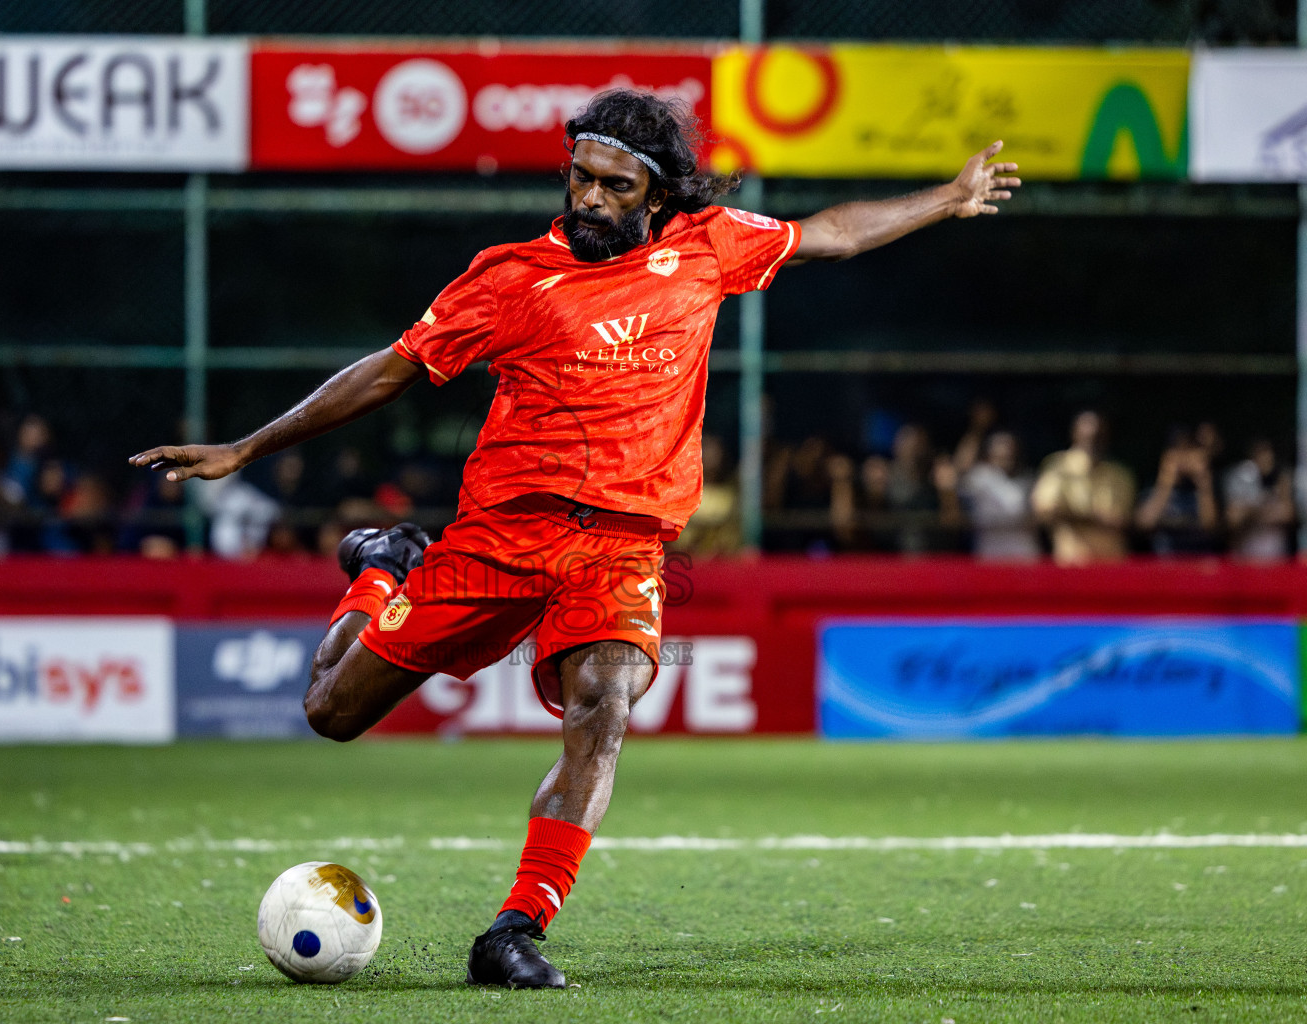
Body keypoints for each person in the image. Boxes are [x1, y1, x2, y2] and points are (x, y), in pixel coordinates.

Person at [131, 89, 1017, 988]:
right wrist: (246, 446)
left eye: (614, 187)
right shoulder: (508, 276)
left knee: (606, 702)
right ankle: (384, 571)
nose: (590, 199)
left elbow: (832, 232)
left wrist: (947, 198)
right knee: (332, 711)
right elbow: (388, 373)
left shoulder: (709, 245)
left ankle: (516, 930)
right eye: (581, 179)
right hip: (501, 534)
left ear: (658, 195)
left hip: (624, 543)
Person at [1031, 410, 1135, 565]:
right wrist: (1097, 520)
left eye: (1099, 437)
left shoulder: (1120, 474)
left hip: (1112, 567)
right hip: (1072, 566)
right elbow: (1046, 510)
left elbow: (1123, 522)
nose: (1094, 442)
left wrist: (1075, 517)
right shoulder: (1058, 466)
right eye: (1089, 437)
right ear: (1075, 434)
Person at [955, 430, 1040, 560]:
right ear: (989, 453)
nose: (1005, 453)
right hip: (991, 548)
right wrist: (977, 430)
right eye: (1000, 450)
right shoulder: (980, 476)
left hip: (1022, 547)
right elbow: (959, 473)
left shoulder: (1028, 479)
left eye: (1009, 451)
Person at [1135, 427, 1220, 555]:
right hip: (1163, 564)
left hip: (1199, 563)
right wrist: (1166, 483)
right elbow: (1145, 524)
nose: (1183, 458)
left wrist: (1204, 483)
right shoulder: (1153, 489)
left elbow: (1210, 526)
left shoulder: (1206, 492)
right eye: (1178, 450)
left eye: (1188, 450)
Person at [1223, 437, 1294, 561]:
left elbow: (1287, 514)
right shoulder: (1239, 477)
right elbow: (1233, 519)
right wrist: (1265, 510)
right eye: (1261, 454)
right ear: (1253, 456)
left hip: (1275, 559)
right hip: (1245, 558)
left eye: (1269, 454)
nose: (1266, 458)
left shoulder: (1281, 478)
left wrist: (1250, 511)